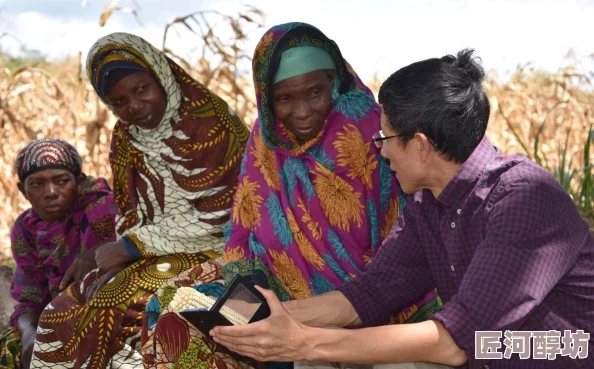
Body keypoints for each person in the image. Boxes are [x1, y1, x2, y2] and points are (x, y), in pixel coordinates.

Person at [211, 49, 594, 369]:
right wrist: (265, 315)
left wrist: (305, 342)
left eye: (385, 137)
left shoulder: (524, 196)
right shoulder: (429, 205)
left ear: (421, 145)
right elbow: (371, 294)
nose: (380, 149)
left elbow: (458, 340)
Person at [29, 33, 250, 369]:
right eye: (118, 102)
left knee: (144, 308)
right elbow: (131, 212)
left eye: (141, 89)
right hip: (153, 253)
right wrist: (125, 253)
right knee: (65, 309)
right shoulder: (125, 138)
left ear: (160, 77)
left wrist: (131, 248)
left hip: (224, 250)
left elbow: (223, 216)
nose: (133, 106)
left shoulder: (210, 122)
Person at [222, 21, 439, 315]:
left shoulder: (367, 128)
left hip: (378, 302)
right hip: (278, 296)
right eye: (284, 99)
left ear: (333, 81)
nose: (301, 113)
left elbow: (410, 226)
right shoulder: (266, 139)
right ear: (267, 101)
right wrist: (245, 302)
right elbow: (244, 227)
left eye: (314, 93)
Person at [0, 138, 117, 369]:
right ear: (22, 190)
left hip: (106, 311)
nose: (51, 192)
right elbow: (30, 299)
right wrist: (30, 337)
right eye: (37, 184)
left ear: (78, 182)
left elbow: (116, 274)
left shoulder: (101, 209)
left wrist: (95, 254)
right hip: (54, 317)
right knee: (9, 347)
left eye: (62, 181)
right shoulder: (26, 228)